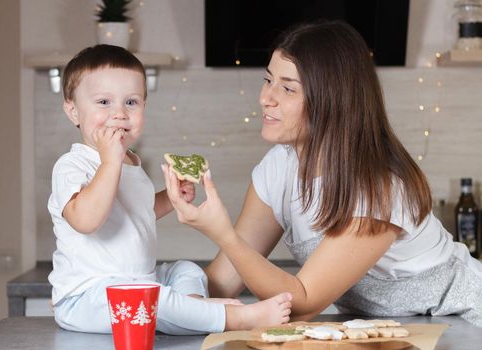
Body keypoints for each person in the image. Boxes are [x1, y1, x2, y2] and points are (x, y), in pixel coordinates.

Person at [162, 21, 482, 328]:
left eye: (287, 88)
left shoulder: (378, 187)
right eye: (268, 80)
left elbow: (301, 304)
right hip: (398, 328)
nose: (265, 98)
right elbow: (221, 284)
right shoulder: (278, 169)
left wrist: (223, 234)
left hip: (463, 323)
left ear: (332, 101)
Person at [47, 44, 292, 335]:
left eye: (131, 102)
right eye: (103, 102)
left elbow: (137, 213)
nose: (119, 114)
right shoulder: (72, 165)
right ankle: (231, 318)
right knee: (151, 299)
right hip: (88, 297)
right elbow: (85, 220)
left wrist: (169, 198)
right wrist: (109, 164)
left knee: (186, 270)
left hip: (139, 283)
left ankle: (193, 309)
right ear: (73, 111)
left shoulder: (130, 162)